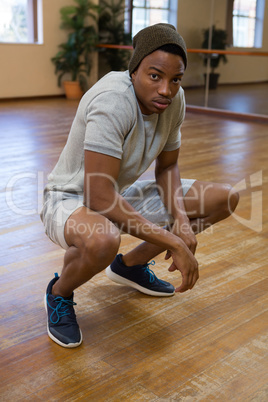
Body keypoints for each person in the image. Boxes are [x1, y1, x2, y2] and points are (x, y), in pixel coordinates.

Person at [41, 23, 239, 348]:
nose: (166, 90)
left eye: (176, 79)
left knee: (222, 198)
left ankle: (130, 266)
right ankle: (59, 292)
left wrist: (183, 223)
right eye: (155, 76)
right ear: (134, 71)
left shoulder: (174, 101)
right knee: (104, 239)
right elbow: (98, 195)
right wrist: (174, 242)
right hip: (69, 198)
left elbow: (169, 165)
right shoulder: (113, 101)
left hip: (113, 195)